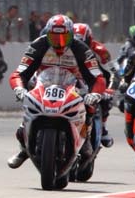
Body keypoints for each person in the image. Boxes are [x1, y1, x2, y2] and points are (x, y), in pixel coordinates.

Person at [7, 14, 109, 168]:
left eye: (64, 38)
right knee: (28, 104)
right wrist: (19, 88)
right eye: (54, 37)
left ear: (71, 36)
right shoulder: (38, 45)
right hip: (43, 84)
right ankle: (24, 147)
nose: (59, 42)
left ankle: (86, 138)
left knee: (89, 105)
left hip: (74, 84)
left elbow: (98, 77)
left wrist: (94, 93)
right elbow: (19, 73)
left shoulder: (81, 49)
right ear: (47, 35)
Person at [73, 22, 115, 147]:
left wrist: (109, 88)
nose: (79, 46)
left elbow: (110, 70)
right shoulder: (66, 47)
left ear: (89, 39)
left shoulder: (100, 50)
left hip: (93, 80)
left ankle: (103, 129)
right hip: (73, 80)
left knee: (106, 100)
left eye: (82, 42)